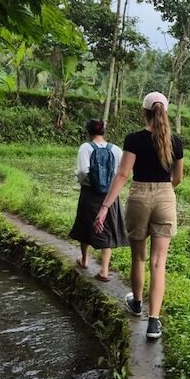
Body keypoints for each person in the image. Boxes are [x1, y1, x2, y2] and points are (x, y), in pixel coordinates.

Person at [94, 91, 183, 340]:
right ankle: (153, 322)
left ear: (144, 112)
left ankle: (136, 304)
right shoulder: (176, 142)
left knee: (139, 258)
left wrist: (104, 207)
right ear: (165, 112)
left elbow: (123, 174)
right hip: (166, 197)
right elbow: (178, 178)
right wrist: (163, 190)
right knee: (159, 263)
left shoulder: (133, 139)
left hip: (139, 197)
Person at [69, 119, 127, 281]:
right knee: (106, 228)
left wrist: (82, 181)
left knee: (85, 225)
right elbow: (120, 172)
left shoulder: (85, 147)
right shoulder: (116, 149)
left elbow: (82, 171)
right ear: (104, 132)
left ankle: (84, 260)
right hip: (110, 195)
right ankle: (104, 270)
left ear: (88, 132)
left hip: (89, 193)